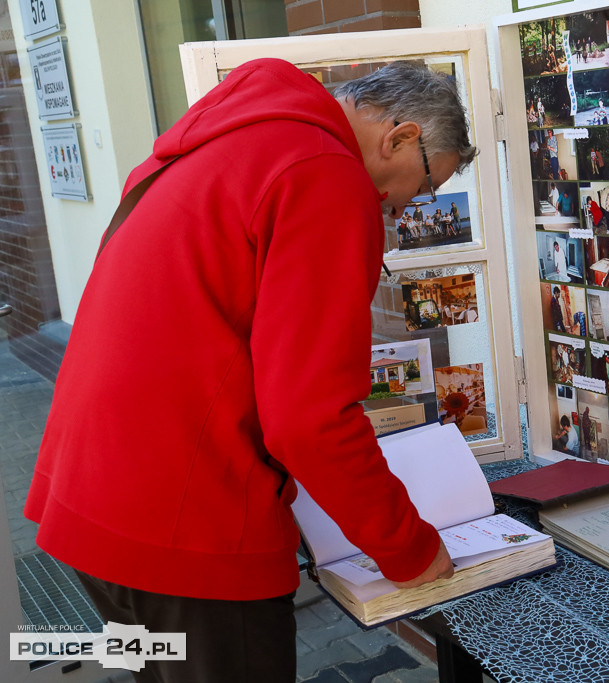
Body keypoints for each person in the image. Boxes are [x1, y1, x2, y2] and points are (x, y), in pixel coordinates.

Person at [24, 59, 476, 682]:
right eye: (425, 185)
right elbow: (311, 418)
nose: (409, 205)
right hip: (190, 534)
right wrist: (409, 549)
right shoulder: (326, 173)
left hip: (90, 511)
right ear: (398, 137)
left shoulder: (227, 136)